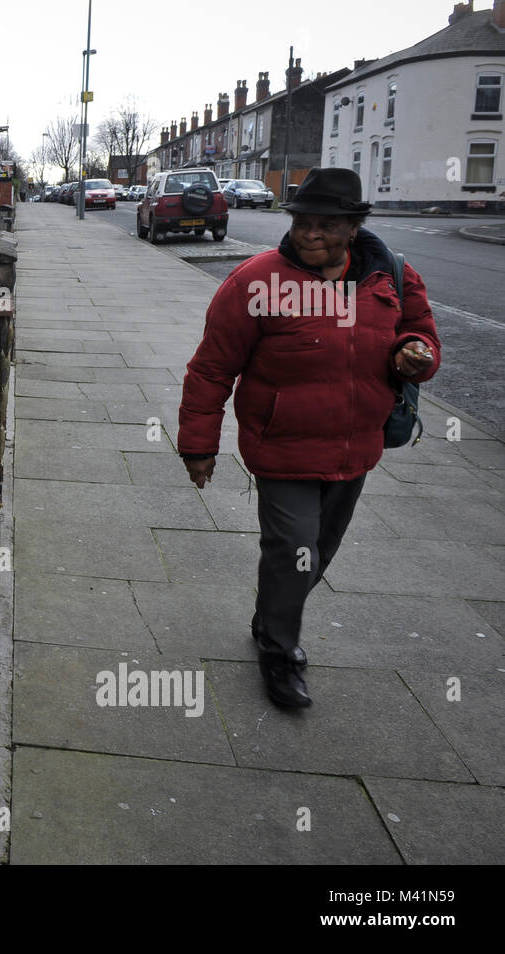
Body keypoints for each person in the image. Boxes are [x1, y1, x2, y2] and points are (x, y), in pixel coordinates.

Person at [177, 167, 440, 708]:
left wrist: (415, 353)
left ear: (352, 228)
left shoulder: (391, 274)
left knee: (319, 553)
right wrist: (199, 445)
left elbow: (421, 333)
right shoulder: (257, 282)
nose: (310, 234)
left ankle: (272, 611)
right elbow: (210, 368)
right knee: (294, 549)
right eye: (302, 223)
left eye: (326, 225)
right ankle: (279, 650)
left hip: (357, 446)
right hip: (283, 446)